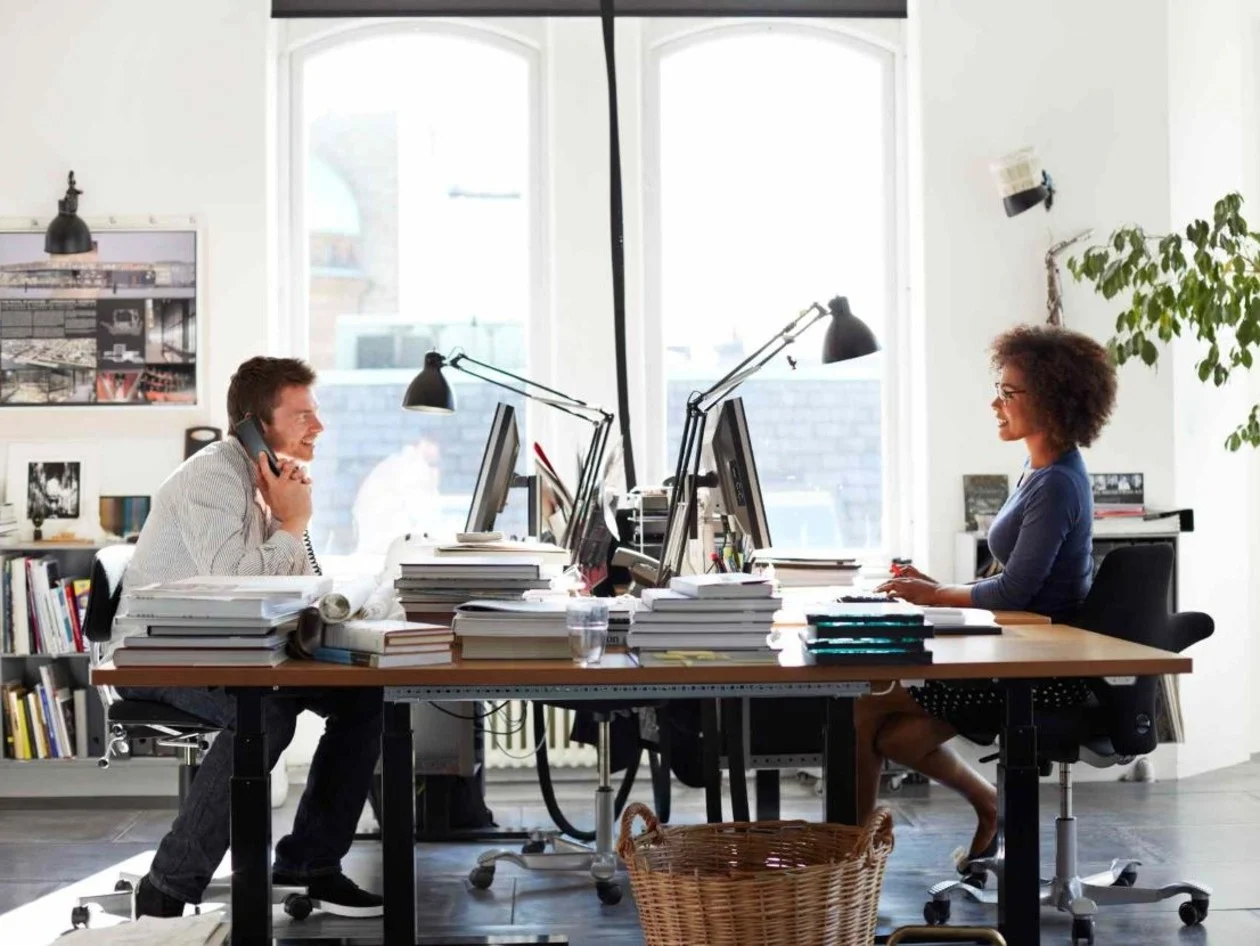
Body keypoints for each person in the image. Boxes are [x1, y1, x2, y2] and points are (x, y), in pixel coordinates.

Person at [113, 356, 384, 919]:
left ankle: (311, 862)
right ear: (257, 424)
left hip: (231, 644)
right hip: (161, 651)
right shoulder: (213, 478)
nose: (319, 427)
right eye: (303, 414)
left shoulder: (264, 475)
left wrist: (293, 524)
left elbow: (279, 590)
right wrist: (292, 525)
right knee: (263, 716)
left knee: (364, 697)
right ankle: (166, 887)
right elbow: (232, 579)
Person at [857, 324, 1117, 869]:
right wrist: (934, 589)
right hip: (1016, 650)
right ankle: (989, 805)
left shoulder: (1059, 483)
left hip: (1042, 672)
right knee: (898, 737)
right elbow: (1011, 580)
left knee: (862, 707)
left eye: (1009, 392)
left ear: (1050, 399)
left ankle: (849, 863)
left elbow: (1018, 589)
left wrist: (936, 594)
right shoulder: (1039, 469)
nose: (995, 402)